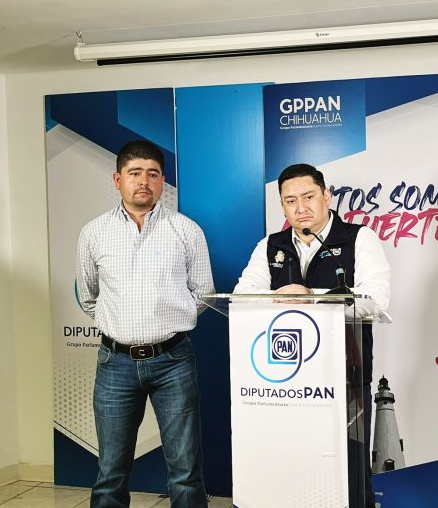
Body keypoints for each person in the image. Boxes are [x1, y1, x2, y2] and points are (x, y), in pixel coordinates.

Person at [234, 163, 390, 508]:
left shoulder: (358, 238)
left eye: (308, 197)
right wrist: (278, 296)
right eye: (290, 201)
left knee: (349, 471)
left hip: (346, 378)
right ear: (282, 206)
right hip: (284, 381)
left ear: (327, 196)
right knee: (292, 467)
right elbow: (242, 295)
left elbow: (376, 300)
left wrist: (311, 297)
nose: (300, 207)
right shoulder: (270, 246)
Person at [76, 140, 215, 508]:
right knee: (110, 471)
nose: (144, 181)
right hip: (115, 363)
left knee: (185, 471)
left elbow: (203, 294)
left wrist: (167, 321)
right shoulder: (93, 233)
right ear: (117, 179)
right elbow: (89, 296)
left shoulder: (186, 230)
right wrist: (121, 325)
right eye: (135, 173)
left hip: (173, 361)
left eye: (153, 174)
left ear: (162, 181)